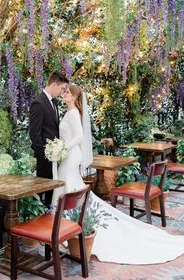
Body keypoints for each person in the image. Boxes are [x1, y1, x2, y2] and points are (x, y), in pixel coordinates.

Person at [52, 84, 184, 265]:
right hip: (67, 155)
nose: (65, 93)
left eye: (68, 92)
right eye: (65, 91)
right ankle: (64, 224)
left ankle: (65, 226)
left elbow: (80, 137)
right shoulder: (69, 112)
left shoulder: (74, 113)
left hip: (70, 155)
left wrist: (63, 147)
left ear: (75, 97)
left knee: (67, 185)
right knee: (68, 185)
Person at [29, 71, 69, 207]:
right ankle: (39, 218)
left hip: (54, 155)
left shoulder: (54, 102)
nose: (62, 92)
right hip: (44, 156)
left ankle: (49, 214)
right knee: (42, 189)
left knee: (52, 188)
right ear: (53, 84)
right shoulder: (38, 103)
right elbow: (34, 133)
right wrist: (43, 154)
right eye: (62, 88)